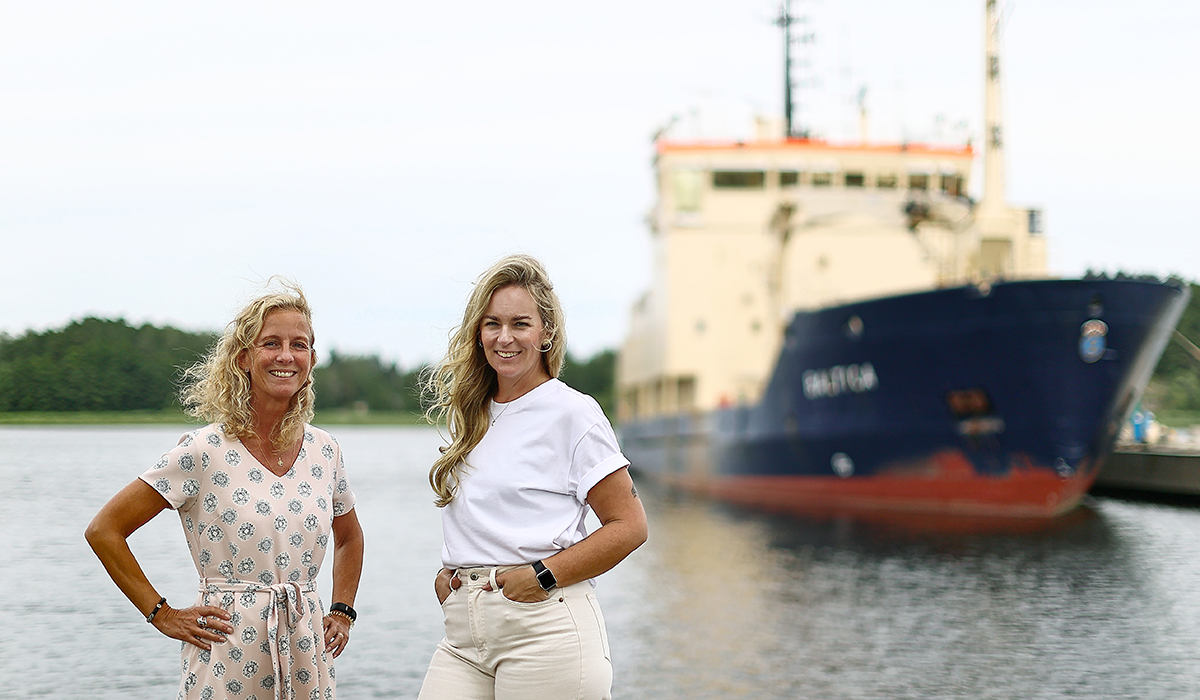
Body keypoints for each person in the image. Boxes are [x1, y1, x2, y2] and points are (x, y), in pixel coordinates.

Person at [85, 279, 364, 700]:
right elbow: (105, 530)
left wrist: (342, 611)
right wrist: (161, 614)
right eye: (271, 343)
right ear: (244, 359)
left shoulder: (325, 449)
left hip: (306, 646)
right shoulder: (202, 450)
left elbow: (349, 536)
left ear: (311, 359)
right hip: (226, 648)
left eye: (299, 344)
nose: (286, 356)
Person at [417, 254, 648, 700]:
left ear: (546, 333)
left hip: (545, 631)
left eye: (520, 324)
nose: (505, 338)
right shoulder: (472, 413)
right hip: (465, 634)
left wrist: (543, 574)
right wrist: (453, 572)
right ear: (477, 332)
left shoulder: (573, 413)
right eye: (492, 324)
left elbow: (630, 526)